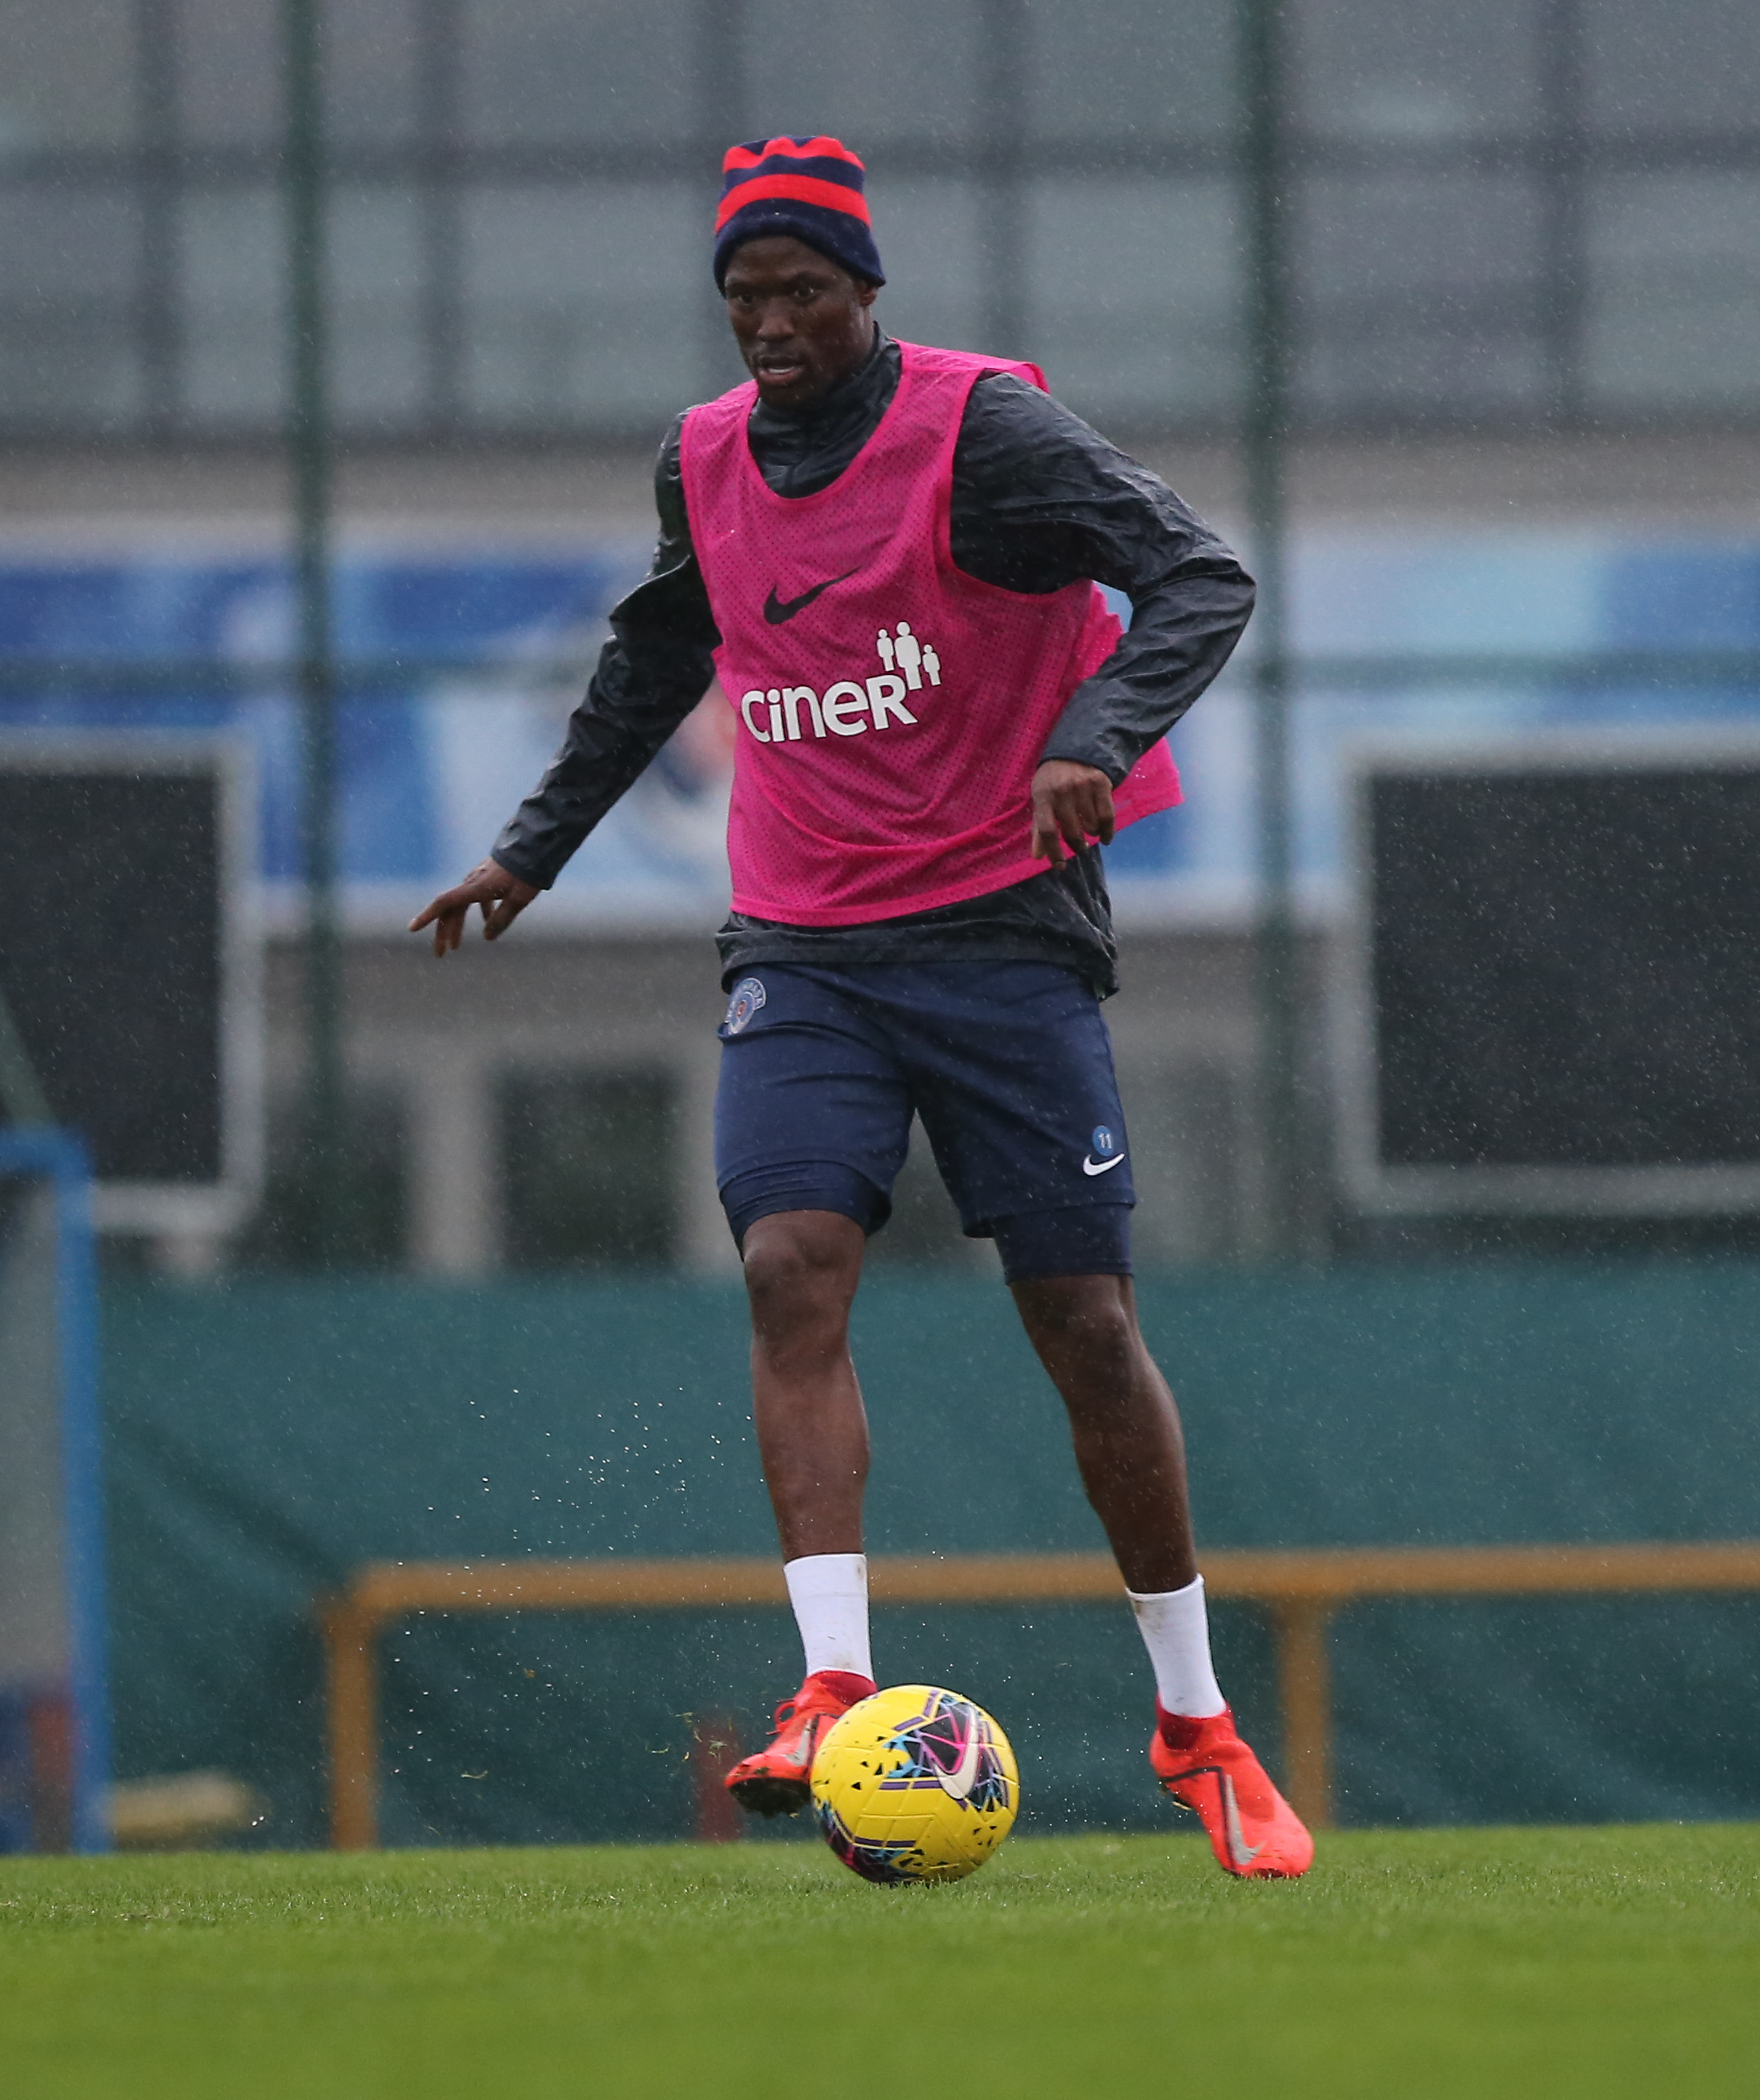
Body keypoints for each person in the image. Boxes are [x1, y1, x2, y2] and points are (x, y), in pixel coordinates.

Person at [410, 135, 1311, 1878]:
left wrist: (1093, 737)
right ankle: (832, 1683)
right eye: (743, 298)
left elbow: (1202, 574)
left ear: (867, 292)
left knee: (1085, 1326)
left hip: (1001, 932)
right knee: (786, 1265)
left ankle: (1196, 1722)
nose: (770, 326)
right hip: (804, 942)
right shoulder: (702, 457)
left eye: (802, 293)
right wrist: (530, 851)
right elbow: (657, 659)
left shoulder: (987, 430)